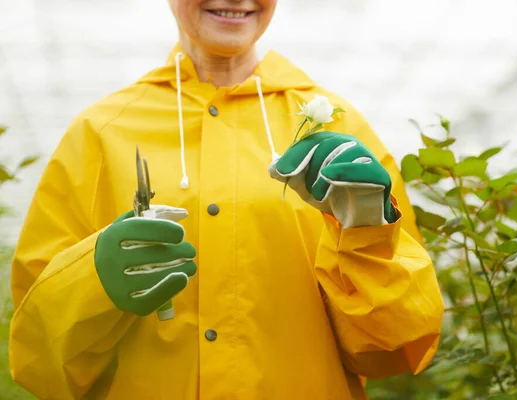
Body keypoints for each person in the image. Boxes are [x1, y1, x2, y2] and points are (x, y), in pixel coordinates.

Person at [8, 0, 444, 399]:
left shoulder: (337, 128)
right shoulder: (101, 132)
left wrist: (367, 233)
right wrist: (91, 283)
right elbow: (40, 362)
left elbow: (393, 350)